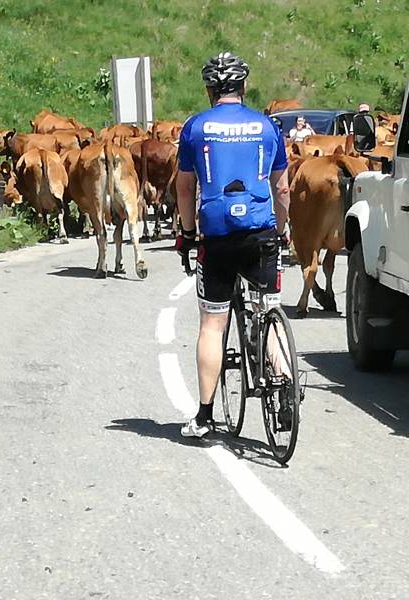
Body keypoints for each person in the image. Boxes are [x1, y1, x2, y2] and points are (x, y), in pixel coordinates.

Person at [175, 52, 290, 438]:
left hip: (217, 236)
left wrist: (187, 234)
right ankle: (284, 388)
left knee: (212, 324)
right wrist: (282, 230)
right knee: (268, 309)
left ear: (210, 90)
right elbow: (282, 188)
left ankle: (204, 417)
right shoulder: (268, 126)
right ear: (243, 87)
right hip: (261, 233)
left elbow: (185, 188)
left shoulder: (195, 127)